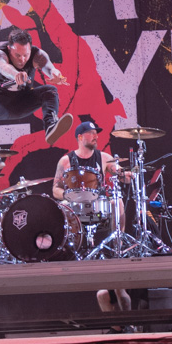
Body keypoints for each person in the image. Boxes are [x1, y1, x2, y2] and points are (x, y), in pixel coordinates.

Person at [53, 120, 133, 321]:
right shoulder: (66, 160)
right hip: (76, 210)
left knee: (117, 201)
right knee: (104, 293)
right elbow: (55, 189)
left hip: (99, 209)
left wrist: (126, 175)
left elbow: (120, 175)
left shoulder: (104, 157)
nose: (96, 136)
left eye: (96, 133)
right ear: (80, 137)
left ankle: (118, 240)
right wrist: (68, 196)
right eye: (91, 133)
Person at [0, 28, 73, 173]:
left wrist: (56, 74)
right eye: (17, 55)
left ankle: (50, 126)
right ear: (9, 49)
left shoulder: (37, 55)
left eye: (25, 55)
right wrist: (16, 74)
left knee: (50, 91)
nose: (22, 60)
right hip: (0, 106)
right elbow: (4, 67)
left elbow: (49, 67)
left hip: (22, 103)